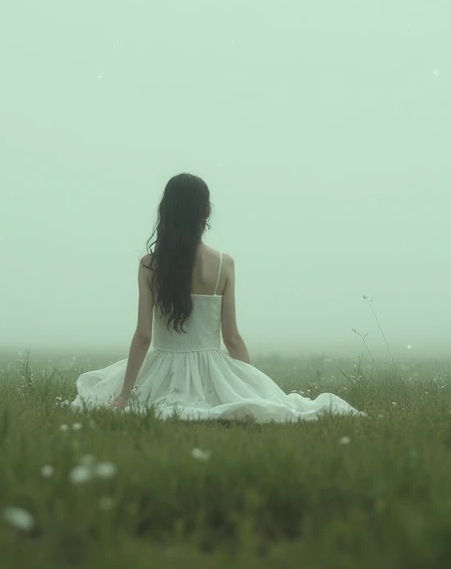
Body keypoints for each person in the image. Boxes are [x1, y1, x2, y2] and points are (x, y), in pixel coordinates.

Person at [72, 173, 364, 422]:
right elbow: (232, 337)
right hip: (212, 371)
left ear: (166, 211)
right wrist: (254, 388)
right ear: (206, 211)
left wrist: (124, 394)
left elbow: (143, 337)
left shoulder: (149, 265)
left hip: (162, 371)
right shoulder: (225, 264)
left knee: (99, 392)